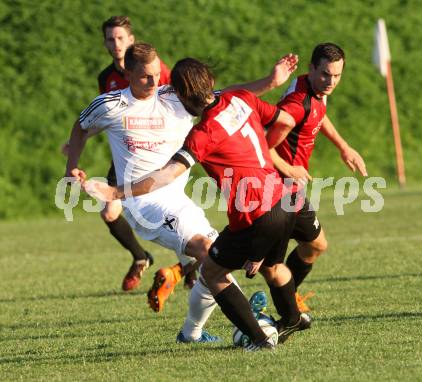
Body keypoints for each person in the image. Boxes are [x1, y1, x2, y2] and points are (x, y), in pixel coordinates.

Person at [65, 43, 297, 343]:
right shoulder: (110, 105)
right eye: (145, 77)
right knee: (207, 249)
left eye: (156, 73)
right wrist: (72, 167)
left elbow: (220, 95)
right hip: (142, 203)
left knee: (212, 258)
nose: (154, 81)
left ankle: (191, 333)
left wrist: (270, 82)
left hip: (177, 198)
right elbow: (81, 127)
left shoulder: (174, 95)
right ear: (127, 73)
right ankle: (253, 329)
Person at [63, 16, 172, 292]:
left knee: (169, 212)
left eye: (121, 38)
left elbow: (174, 107)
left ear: (131, 40)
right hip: (127, 156)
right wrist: (78, 140)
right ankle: (140, 257)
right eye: (110, 39)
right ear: (104, 43)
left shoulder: (155, 69)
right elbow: (109, 116)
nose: (116, 44)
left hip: (161, 153)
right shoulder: (106, 78)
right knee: (109, 212)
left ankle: (190, 267)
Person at [266, 42, 368, 311]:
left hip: (290, 188)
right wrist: (288, 169)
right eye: (325, 74)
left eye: (337, 76)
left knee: (314, 246)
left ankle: (286, 297)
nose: (331, 81)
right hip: (276, 187)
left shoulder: (315, 90)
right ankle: (280, 305)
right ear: (311, 69)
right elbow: (264, 146)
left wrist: (343, 146)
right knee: (252, 257)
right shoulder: (296, 105)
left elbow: (319, 115)